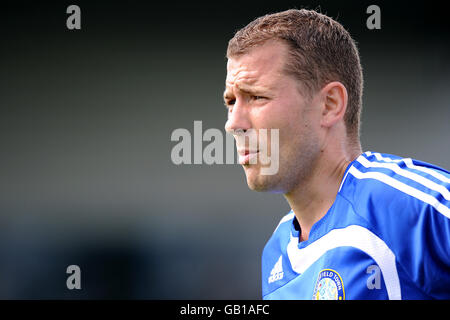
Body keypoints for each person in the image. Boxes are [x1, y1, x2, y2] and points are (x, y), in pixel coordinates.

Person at [223, 9, 450, 300]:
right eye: (231, 101)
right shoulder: (276, 254)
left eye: (256, 97)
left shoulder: (405, 205)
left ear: (329, 105)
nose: (233, 123)